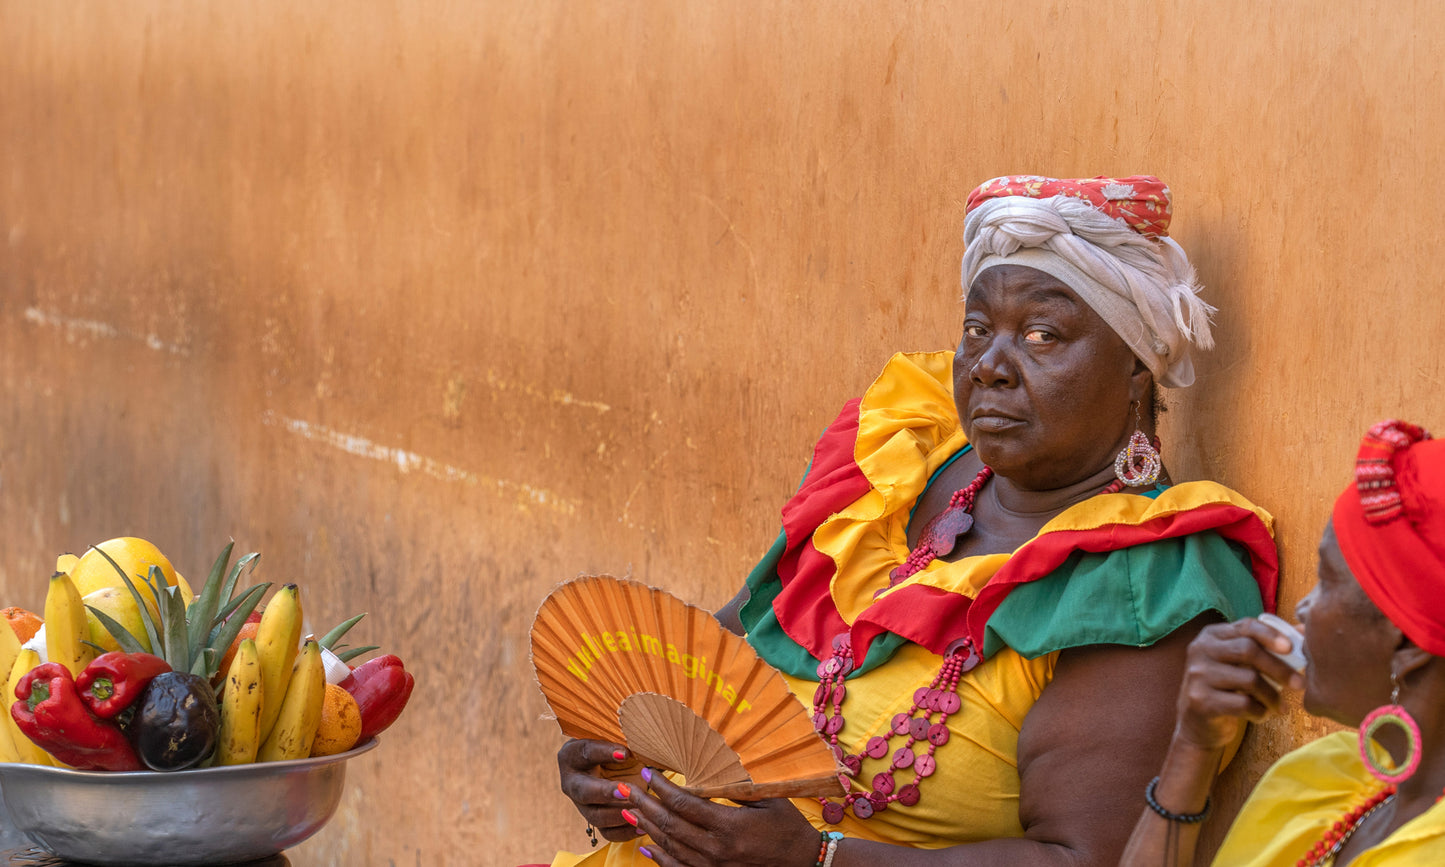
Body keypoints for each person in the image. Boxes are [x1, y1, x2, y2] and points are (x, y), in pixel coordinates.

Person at [546, 176, 1279, 867]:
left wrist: (816, 857)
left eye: (1043, 335)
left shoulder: (1140, 578)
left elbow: (1083, 858)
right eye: (977, 328)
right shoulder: (901, 469)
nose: (989, 364)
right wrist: (628, 774)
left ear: (1134, 374)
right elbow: (715, 666)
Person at [1122, 420, 1445, 866]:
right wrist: (1193, 747)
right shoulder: (1326, 780)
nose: (1305, 608)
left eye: (1327, 581)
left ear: (1408, 644)